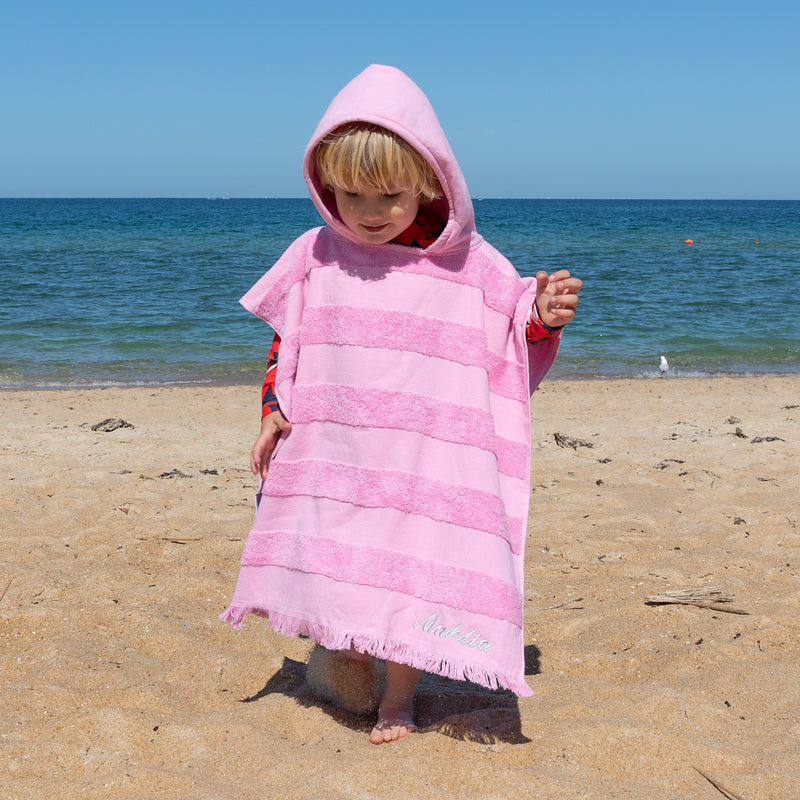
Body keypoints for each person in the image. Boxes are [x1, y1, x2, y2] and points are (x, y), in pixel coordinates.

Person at [220, 64, 582, 745]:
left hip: (427, 455)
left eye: (389, 194)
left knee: (416, 569)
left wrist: (547, 313)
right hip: (343, 448)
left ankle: (399, 700)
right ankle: (346, 649)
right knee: (347, 558)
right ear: (325, 184)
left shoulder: (467, 262)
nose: (369, 210)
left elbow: (511, 325)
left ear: (429, 180)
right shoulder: (316, 255)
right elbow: (287, 341)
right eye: (350, 193)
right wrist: (272, 409)